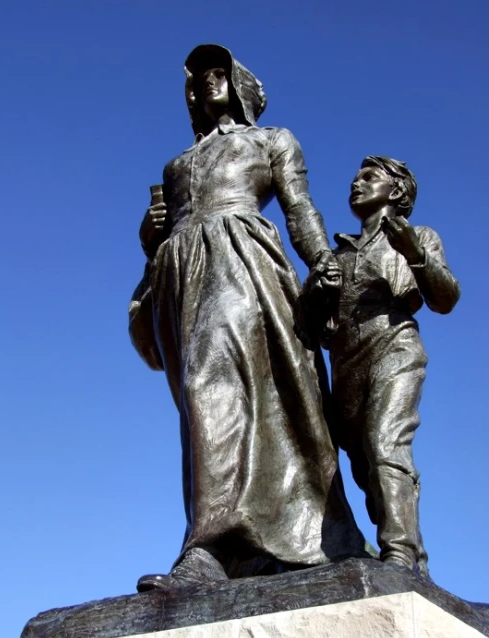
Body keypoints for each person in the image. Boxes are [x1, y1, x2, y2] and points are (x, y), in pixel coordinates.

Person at [129, 45, 366, 591]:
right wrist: (151, 236)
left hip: (242, 257)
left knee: (211, 377)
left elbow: (299, 207)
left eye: (220, 72)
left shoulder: (271, 140)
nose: (209, 82)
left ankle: (209, 548)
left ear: (239, 83)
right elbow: (162, 235)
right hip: (180, 272)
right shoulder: (176, 164)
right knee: (202, 404)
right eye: (200, 77)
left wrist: (323, 262)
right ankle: (249, 548)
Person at [302, 156, 460, 576]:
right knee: (366, 467)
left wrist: (416, 253)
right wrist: (318, 293)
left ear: (397, 191)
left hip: (394, 346)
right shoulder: (337, 253)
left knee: (385, 442)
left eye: (370, 177)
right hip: (346, 364)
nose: (357, 182)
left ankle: (399, 554)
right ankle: (415, 563)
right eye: (356, 176)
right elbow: (309, 327)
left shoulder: (418, 236)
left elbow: (445, 299)